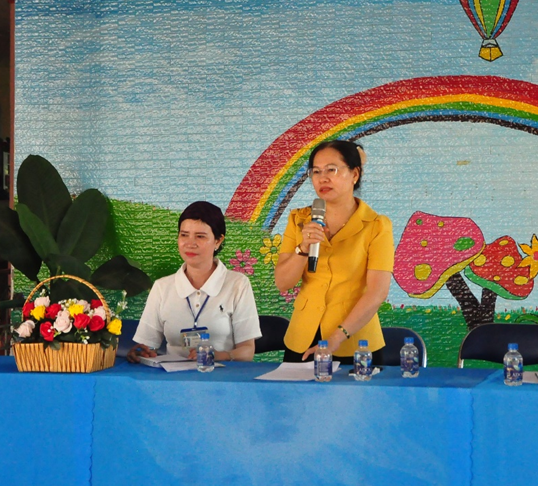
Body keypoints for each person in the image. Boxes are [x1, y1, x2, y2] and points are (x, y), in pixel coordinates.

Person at [275, 140, 394, 364]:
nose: (323, 178)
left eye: (331, 169)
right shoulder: (299, 219)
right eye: (316, 171)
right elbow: (283, 283)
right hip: (303, 339)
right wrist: (303, 248)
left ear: (354, 174)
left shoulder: (376, 226)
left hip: (355, 341)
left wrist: (336, 338)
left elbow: (377, 293)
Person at [128, 201, 261, 363]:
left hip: (221, 374)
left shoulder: (238, 284)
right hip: (173, 375)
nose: (190, 244)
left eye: (200, 236)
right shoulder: (162, 287)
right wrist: (142, 352)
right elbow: (148, 345)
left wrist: (218, 356)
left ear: (218, 241)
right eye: (184, 235)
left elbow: (247, 351)